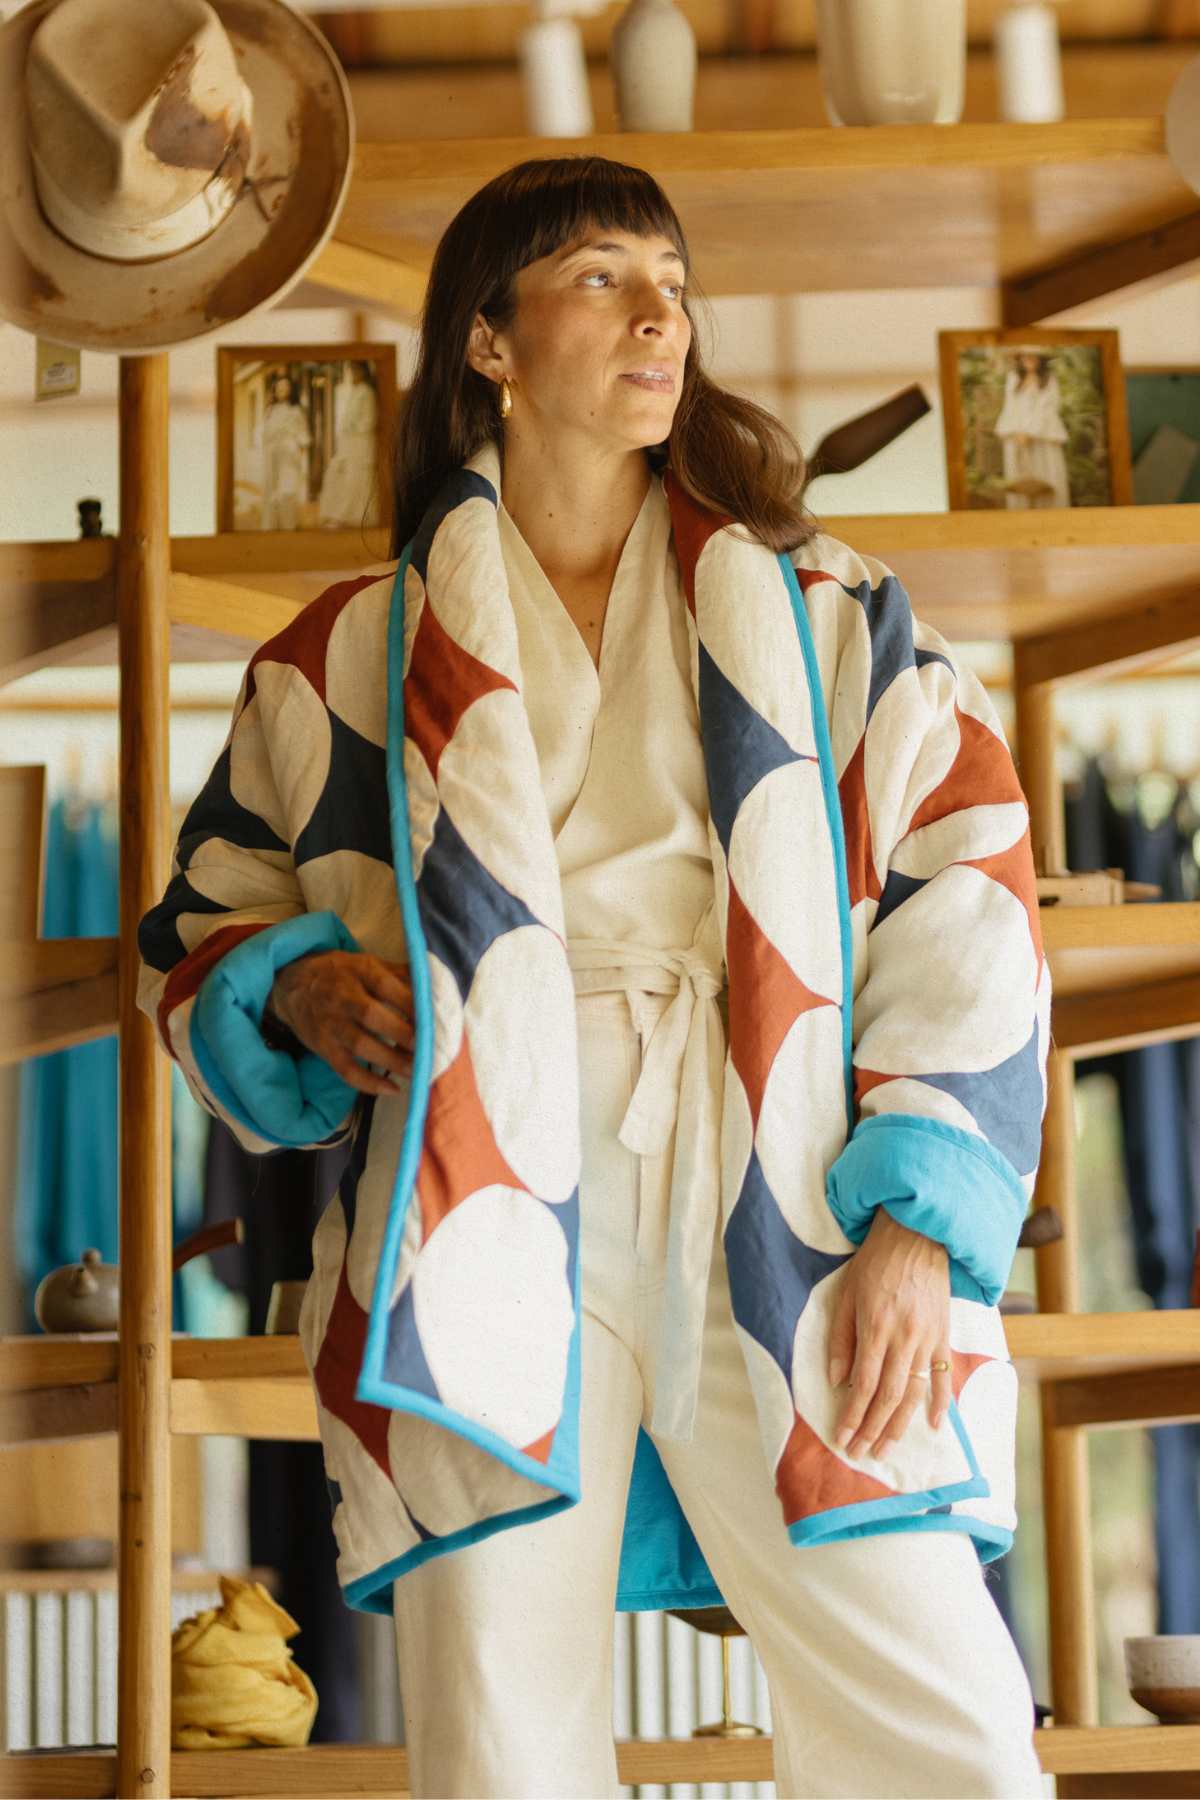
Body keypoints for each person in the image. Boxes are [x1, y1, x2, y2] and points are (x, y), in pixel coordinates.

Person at [137, 156, 1051, 1798]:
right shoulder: (348, 651)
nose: (661, 317)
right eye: (604, 279)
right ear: (488, 343)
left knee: (947, 1712)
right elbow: (209, 919)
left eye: (675, 284)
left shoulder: (833, 614)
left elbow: (971, 883)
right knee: (498, 1723)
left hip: (770, 1148)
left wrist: (922, 1215)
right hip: (478, 1158)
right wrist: (294, 990)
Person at [993, 350, 1071, 508]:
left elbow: (1049, 407)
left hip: (1043, 436)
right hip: (1017, 437)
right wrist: (1017, 431)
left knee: (1047, 475)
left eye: (1033, 355)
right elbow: (1011, 406)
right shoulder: (1013, 379)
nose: (1029, 359)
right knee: (1019, 480)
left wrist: (1032, 432)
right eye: (1025, 355)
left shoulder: (1049, 379)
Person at [317, 360, 380, 529]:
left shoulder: (366, 392)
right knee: (337, 473)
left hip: (360, 442)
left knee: (356, 478)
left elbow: (369, 420)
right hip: (348, 442)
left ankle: (350, 516)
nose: (352, 374)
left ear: (363, 372)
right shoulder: (354, 391)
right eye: (351, 371)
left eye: (355, 371)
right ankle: (338, 514)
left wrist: (352, 428)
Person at [258, 371, 311, 529]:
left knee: (287, 492)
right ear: (274, 390)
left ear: (290, 390)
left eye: (285, 387)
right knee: (271, 491)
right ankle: (271, 526)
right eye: (279, 388)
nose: (282, 390)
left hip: (288, 456)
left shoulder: (296, 411)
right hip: (272, 455)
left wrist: (297, 449)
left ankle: (289, 526)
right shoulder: (270, 411)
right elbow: (263, 433)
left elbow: (304, 436)